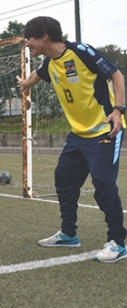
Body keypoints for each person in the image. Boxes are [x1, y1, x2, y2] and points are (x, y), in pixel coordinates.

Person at [16, 16, 127, 263]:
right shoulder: (49, 63)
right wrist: (26, 83)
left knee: (103, 184)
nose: (27, 44)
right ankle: (69, 234)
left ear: (44, 36)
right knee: (64, 179)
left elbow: (116, 75)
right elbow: (37, 73)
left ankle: (118, 242)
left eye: (29, 39)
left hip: (105, 130)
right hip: (77, 135)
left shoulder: (81, 52)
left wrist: (118, 110)